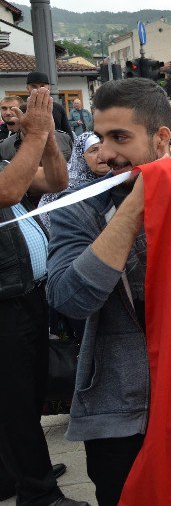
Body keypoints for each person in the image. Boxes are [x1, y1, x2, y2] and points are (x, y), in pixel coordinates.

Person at [46, 78, 171, 506]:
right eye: (100, 138)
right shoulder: (77, 208)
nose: (105, 153)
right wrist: (134, 206)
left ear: (160, 139)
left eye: (120, 137)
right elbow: (69, 298)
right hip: (118, 412)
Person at [0, 87, 78, 506]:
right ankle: (39, 494)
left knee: (26, 395)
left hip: (25, 296)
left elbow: (56, 181)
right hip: (4, 303)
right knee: (14, 400)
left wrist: (47, 137)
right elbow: (7, 193)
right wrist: (33, 134)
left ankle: (19, 473)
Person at [38, 132, 110, 229]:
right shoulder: (68, 187)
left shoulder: (119, 177)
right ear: (81, 156)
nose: (102, 155)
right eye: (94, 150)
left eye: (106, 148)